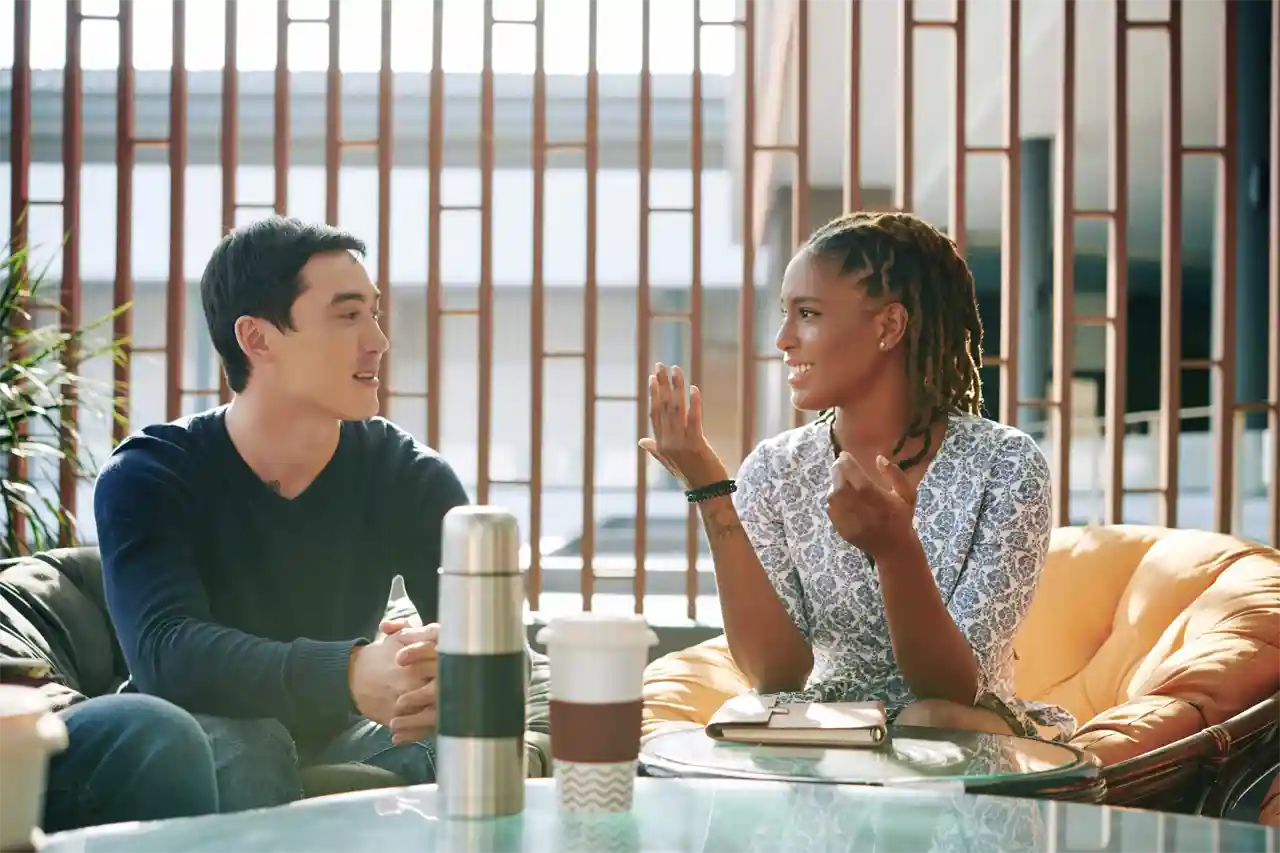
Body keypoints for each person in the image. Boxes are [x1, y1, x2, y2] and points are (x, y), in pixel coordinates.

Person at [93, 216, 536, 813]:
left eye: (374, 315)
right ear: (257, 339)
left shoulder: (406, 474)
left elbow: (491, 648)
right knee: (251, 743)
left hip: (348, 733)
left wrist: (442, 673)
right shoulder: (150, 474)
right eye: (347, 315)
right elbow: (167, 652)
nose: (377, 339)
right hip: (190, 741)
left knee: (464, 744)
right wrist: (351, 672)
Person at [640, 210, 1074, 741]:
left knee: (927, 722)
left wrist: (895, 551)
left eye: (807, 313)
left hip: (961, 742)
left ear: (889, 326)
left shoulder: (1006, 466)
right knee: (740, 721)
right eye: (784, 313)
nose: (782, 339)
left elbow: (951, 689)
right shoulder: (776, 470)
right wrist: (711, 491)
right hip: (828, 735)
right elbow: (775, 674)